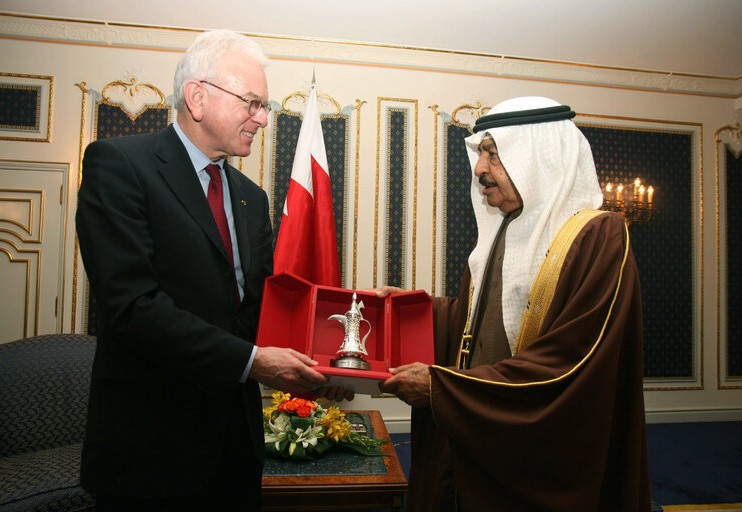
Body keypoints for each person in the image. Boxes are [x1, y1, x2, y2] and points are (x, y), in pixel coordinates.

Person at [76, 30, 337, 511]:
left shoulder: (250, 197)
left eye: (265, 105)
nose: (263, 118)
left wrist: (323, 360)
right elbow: (133, 307)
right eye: (252, 102)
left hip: (234, 451)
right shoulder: (119, 165)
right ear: (197, 96)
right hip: (150, 452)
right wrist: (253, 362)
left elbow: (256, 310)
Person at [377, 96, 651, 511]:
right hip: (481, 430)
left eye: (495, 154)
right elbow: (478, 323)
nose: (480, 169)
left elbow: (572, 360)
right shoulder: (503, 230)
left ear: (541, 159)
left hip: (540, 451)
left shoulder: (599, 234)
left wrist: (444, 387)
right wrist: (416, 310)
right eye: (481, 153)